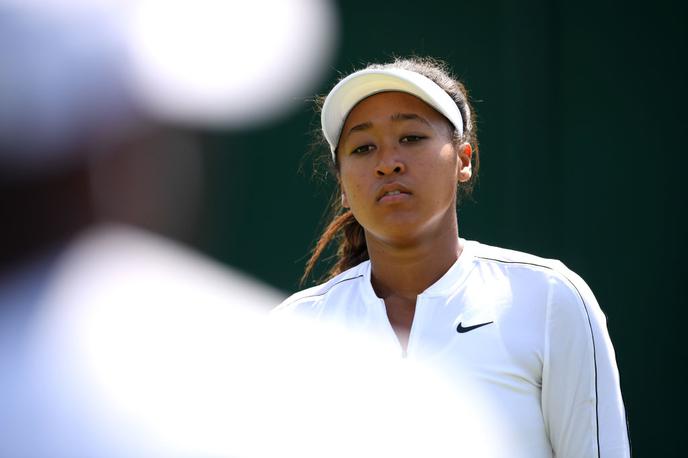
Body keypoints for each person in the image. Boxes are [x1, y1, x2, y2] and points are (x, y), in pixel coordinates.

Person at [274, 57, 630, 457]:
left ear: (464, 159)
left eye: (411, 138)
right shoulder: (295, 329)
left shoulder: (549, 297)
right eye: (363, 147)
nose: (388, 162)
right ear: (341, 184)